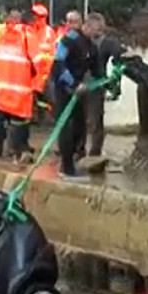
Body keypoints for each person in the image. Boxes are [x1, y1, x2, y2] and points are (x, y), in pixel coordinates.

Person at [50, 10, 99, 179]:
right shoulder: (69, 40)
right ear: (86, 26)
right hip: (64, 88)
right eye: (95, 30)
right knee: (66, 128)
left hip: (79, 92)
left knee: (80, 126)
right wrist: (73, 83)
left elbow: (97, 69)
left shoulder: (92, 47)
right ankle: (67, 167)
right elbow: (58, 64)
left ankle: (75, 159)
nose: (96, 34)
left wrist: (109, 82)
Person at [0, 9, 37, 160]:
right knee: (17, 123)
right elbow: (38, 61)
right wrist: (36, 82)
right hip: (19, 89)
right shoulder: (27, 36)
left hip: (1, 88)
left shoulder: (2, 37)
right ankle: (16, 152)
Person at [83, 12, 125, 157]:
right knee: (78, 120)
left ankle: (95, 152)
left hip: (97, 84)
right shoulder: (81, 42)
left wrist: (114, 85)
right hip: (78, 85)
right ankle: (78, 149)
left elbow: (119, 60)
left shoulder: (108, 44)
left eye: (92, 25)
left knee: (95, 120)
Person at [28, 3, 57, 122]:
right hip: (30, 71)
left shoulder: (49, 32)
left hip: (44, 73)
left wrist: (46, 71)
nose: (34, 18)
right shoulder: (29, 30)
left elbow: (52, 53)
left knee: (45, 98)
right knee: (32, 98)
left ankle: (44, 118)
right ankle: (35, 117)